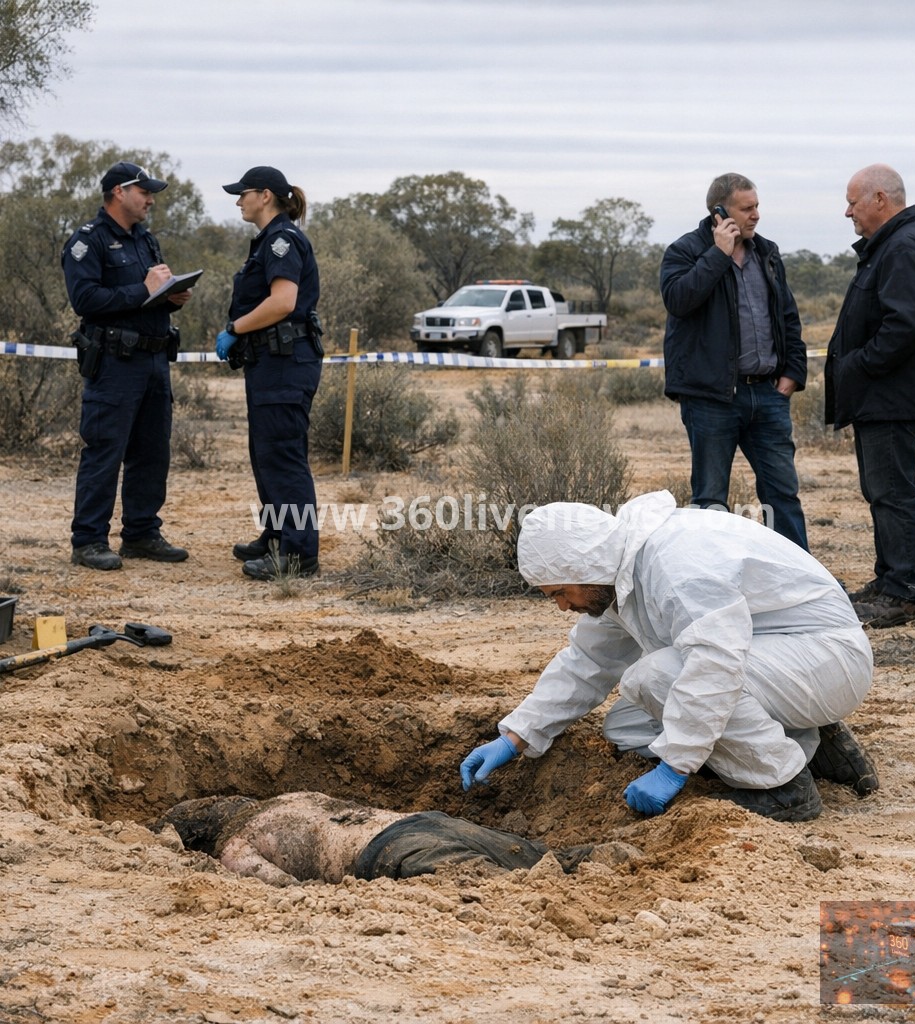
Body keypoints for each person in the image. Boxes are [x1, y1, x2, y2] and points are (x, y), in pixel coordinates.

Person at [460, 491, 878, 822]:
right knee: (625, 726)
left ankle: (785, 790)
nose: (562, 607)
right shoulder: (616, 574)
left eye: (560, 593)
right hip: (782, 664)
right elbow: (586, 664)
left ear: (583, 564)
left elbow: (714, 666)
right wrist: (515, 737)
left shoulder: (675, 562)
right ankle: (808, 739)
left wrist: (675, 767)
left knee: (657, 677)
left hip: (826, 658)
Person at [826, 165, 915, 628]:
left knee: (892, 492)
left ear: (880, 198)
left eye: (853, 202)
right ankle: (890, 580)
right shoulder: (896, 243)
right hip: (885, 396)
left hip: (891, 397)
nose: (848, 211)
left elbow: (905, 325)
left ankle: (905, 592)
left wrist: (858, 365)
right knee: (883, 490)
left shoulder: (903, 245)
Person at [661, 173, 809, 551]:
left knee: (783, 495)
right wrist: (718, 254)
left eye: (757, 206)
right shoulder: (685, 251)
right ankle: (711, 579)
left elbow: (787, 316)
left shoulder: (767, 253)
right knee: (710, 499)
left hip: (768, 396)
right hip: (712, 399)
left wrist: (793, 372)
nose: (756, 215)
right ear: (720, 212)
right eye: (747, 208)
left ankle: (801, 583)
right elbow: (679, 300)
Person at [62, 161, 192, 570]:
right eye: (145, 192)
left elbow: (149, 294)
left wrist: (170, 295)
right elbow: (85, 301)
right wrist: (143, 289)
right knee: (105, 449)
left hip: (154, 359)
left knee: (152, 451)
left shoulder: (146, 240)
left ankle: (141, 533)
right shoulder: (88, 241)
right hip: (115, 363)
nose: (150, 199)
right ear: (119, 191)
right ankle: (88, 540)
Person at [148, 792, 640, 884]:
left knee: (475, 880)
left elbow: (284, 891)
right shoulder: (289, 797)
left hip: (383, 851)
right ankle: (590, 858)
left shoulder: (236, 844)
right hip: (423, 819)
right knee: (527, 854)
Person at [216, 167, 324, 581]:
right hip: (270, 364)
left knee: (283, 456)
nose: (238, 201)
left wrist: (234, 329)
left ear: (265, 195)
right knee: (267, 455)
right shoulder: (268, 241)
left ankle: (298, 555)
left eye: (242, 194)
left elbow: (282, 302)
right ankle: (278, 536)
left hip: (285, 364)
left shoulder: (282, 240)